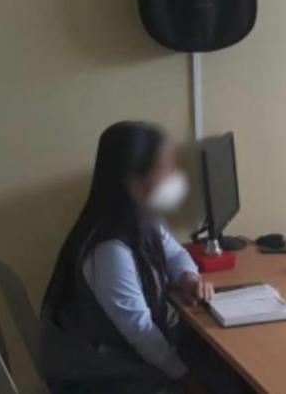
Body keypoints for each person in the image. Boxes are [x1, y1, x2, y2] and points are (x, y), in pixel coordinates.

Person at [40, 121, 251, 394]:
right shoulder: (109, 250)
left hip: (128, 354)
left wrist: (188, 277)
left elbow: (175, 253)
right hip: (98, 376)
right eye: (165, 167)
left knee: (226, 371)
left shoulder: (140, 219)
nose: (173, 176)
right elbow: (141, 333)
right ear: (134, 179)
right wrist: (190, 383)